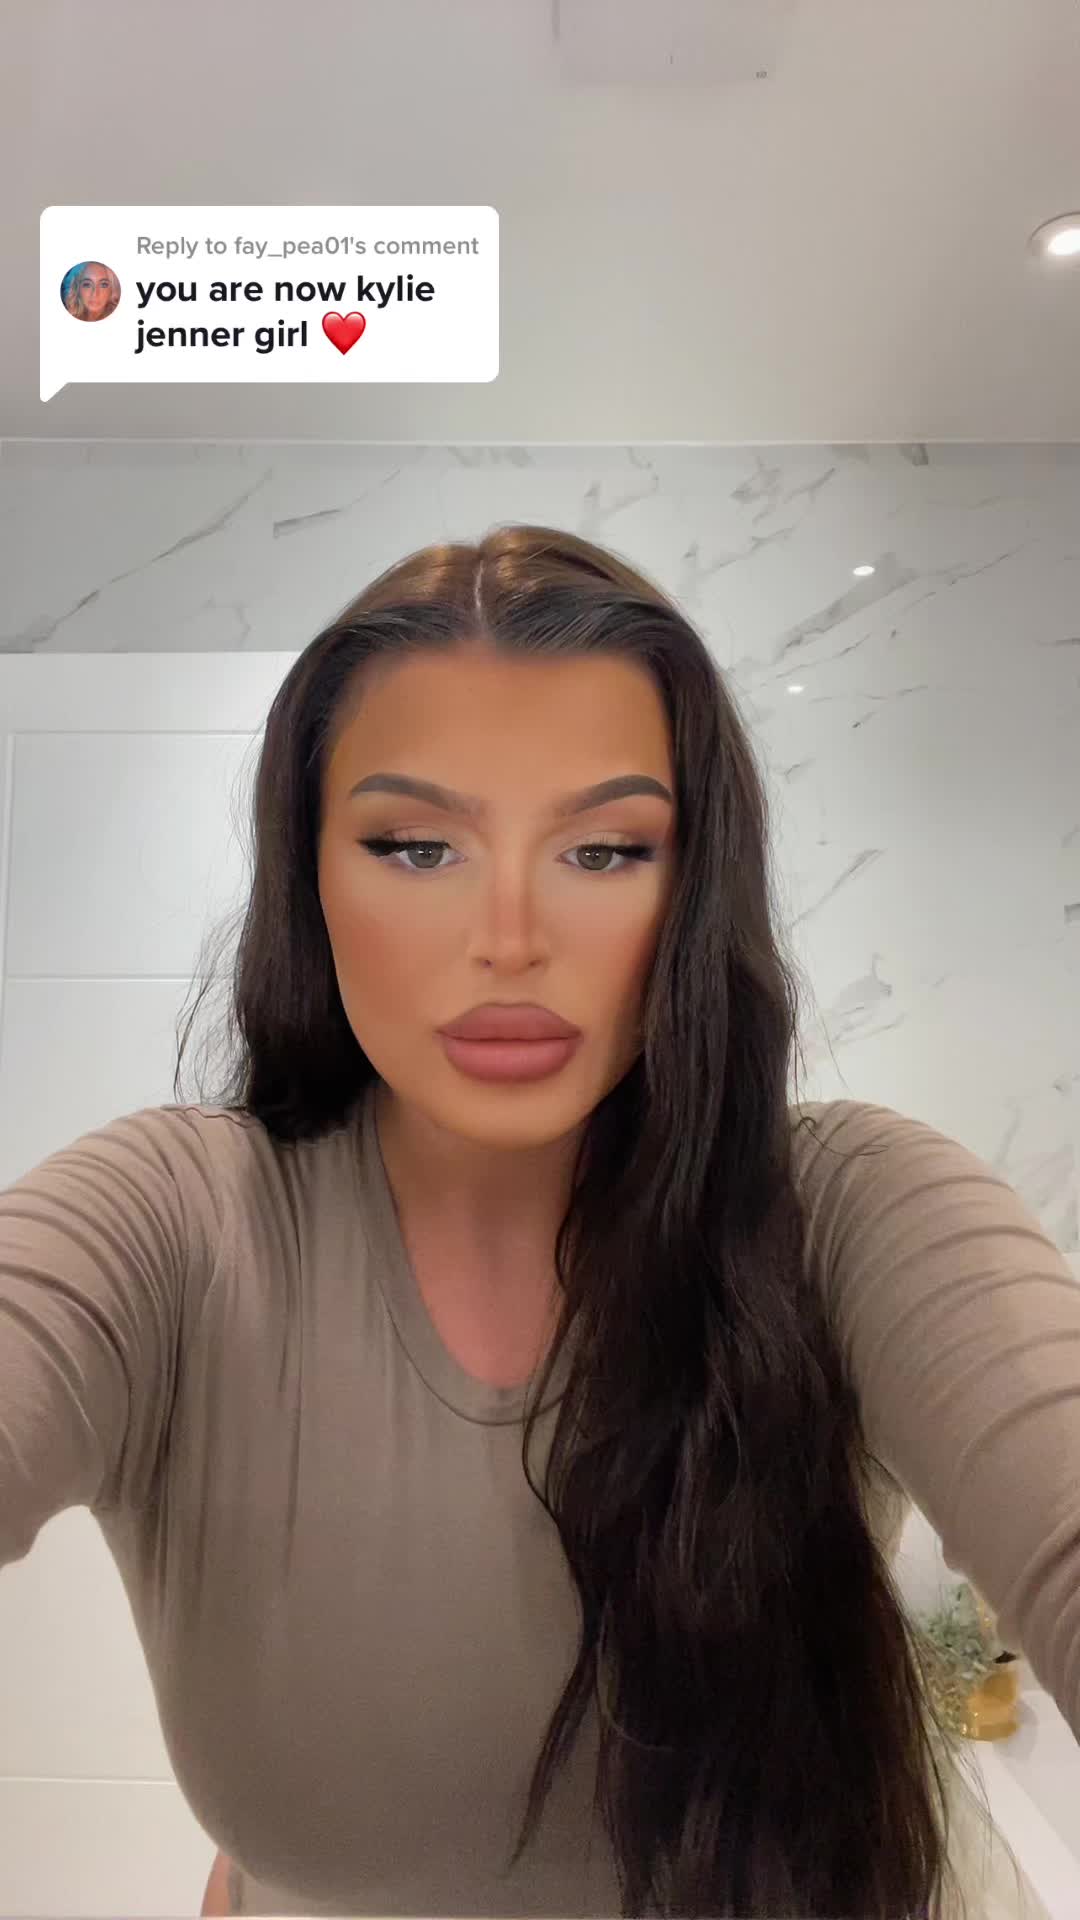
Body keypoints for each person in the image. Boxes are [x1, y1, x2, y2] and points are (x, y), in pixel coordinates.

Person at [0, 523, 1072, 1920]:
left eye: (606, 850)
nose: (509, 935)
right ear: (309, 877)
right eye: (416, 846)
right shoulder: (174, 1228)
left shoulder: (854, 1211)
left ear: (695, 889)